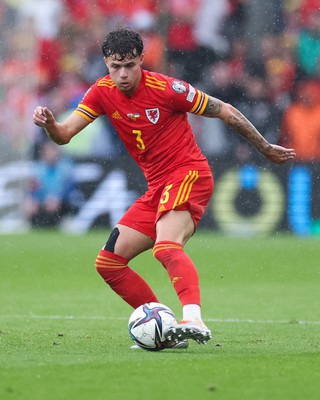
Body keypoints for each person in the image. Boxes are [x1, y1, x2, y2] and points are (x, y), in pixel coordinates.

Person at [33, 28, 295, 348]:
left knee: (166, 247)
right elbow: (64, 135)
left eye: (130, 65)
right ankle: (167, 328)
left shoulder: (167, 88)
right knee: (109, 262)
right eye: (116, 67)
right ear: (106, 63)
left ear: (142, 59)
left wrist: (264, 147)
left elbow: (224, 109)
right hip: (157, 186)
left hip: (188, 174)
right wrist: (49, 125)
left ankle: (193, 318)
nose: (123, 74)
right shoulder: (101, 92)